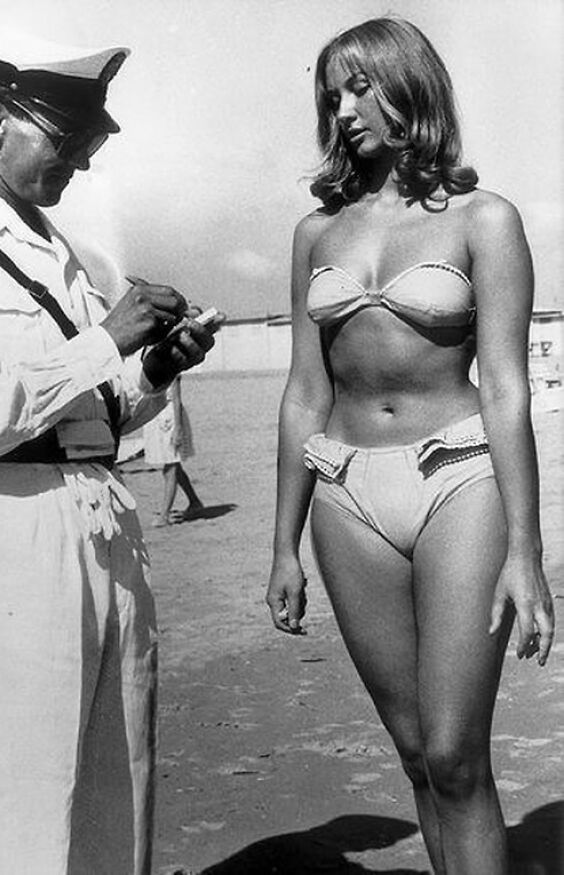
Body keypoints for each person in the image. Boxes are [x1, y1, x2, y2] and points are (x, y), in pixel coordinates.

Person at [0, 24, 220, 875]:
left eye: (90, 146)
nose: (82, 166)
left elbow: (85, 421)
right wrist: (106, 337)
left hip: (97, 517)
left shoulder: (52, 249)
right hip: (8, 526)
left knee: (117, 777)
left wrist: (153, 368)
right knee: (23, 796)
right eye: (67, 143)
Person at [266, 17, 554, 875]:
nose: (343, 109)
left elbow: (506, 384)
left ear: (409, 85)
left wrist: (528, 553)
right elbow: (304, 391)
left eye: (360, 87)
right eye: (333, 93)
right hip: (346, 494)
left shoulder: (485, 219)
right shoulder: (316, 234)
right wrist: (282, 543)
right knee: (418, 756)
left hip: (460, 482)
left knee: (459, 752)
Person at [142, 374, 204, 527]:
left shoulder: (172, 368)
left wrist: (178, 428)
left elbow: (176, 399)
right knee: (173, 465)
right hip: (157, 417)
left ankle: (164, 515)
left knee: (170, 469)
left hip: (170, 419)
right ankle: (194, 501)